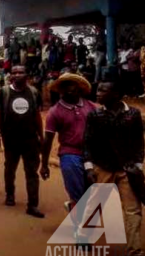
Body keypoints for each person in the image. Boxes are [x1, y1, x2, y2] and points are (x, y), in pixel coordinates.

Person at [84, 78, 145, 256]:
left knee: (133, 209)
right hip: (103, 167)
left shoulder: (133, 114)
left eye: (103, 91)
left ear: (116, 94)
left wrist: (138, 167)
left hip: (127, 169)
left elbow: (139, 143)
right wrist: (89, 167)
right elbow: (88, 142)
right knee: (94, 205)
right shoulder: (94, 115)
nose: (98, 93)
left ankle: (134, 249)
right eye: (98, 90)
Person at [40, 73, 96, 220]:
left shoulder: (91, 107)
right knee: (77, 195)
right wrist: (44, 164)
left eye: (73, 86)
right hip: (70, 154)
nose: (70, 89)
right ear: (61, 90)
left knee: (92, 193)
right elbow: (48, 140)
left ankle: (74, 208)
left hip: (93, 154)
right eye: (66, 86)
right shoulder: (55, 112)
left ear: (79, 88)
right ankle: (81, 236)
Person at [0, 65, 45, 218]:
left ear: (26, 75)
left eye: (20, 72)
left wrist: (41, 136)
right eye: (14, 72)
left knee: (32, 172)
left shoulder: (34, 92)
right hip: (10, 138)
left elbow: (37, 115)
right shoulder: (4, 92)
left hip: (30, 138)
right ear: (10, 76)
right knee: (10, 168)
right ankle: (10, 195)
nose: (17, 75)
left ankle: (33, 205)